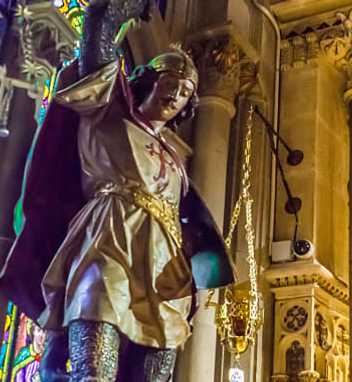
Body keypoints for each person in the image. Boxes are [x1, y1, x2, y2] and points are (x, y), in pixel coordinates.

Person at [0, 1, 235, 381]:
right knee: (97, 311)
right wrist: (122, 8)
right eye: (170, 84)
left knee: (159, 354)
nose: (174, 96)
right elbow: (97, 39)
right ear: (149, 81)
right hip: (109, 236)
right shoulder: (108, 113)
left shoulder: (175, 159)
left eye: (184, 93)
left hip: (163, 259)